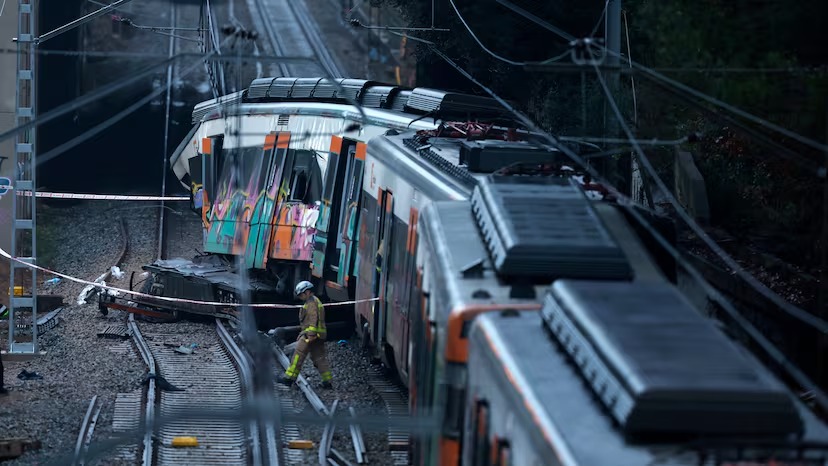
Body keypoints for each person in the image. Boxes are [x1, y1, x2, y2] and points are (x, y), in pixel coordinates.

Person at [278, 281, 333, 389]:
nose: (300, 297)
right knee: (319, 358)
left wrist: (310, 334)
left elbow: (313, 320)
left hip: (311, 336)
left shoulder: (311, 303)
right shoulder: (315, 301)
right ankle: (328, 381)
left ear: (307, 292)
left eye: (301, 294)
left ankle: (289, 379)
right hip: (319, 335)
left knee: (298, 355)